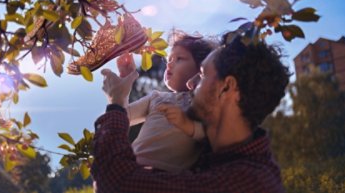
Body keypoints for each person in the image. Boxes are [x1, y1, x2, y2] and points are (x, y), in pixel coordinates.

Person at [91, 33, 290, 193]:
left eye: (202, 76)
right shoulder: (214, 162)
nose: (190, 84)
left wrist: (116, 102)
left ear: (227, 88)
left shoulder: (247, 183)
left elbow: (118, 185)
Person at [115, 33, 217, 172]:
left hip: (168, 178)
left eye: (179, 59)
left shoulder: (201, 101)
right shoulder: (156, 97)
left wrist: (189, 126)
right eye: (169, 59)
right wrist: (125, 85)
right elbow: (121, 117)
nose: (169, 63)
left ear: (201, 69)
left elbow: (211, 133)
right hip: (133, 168)